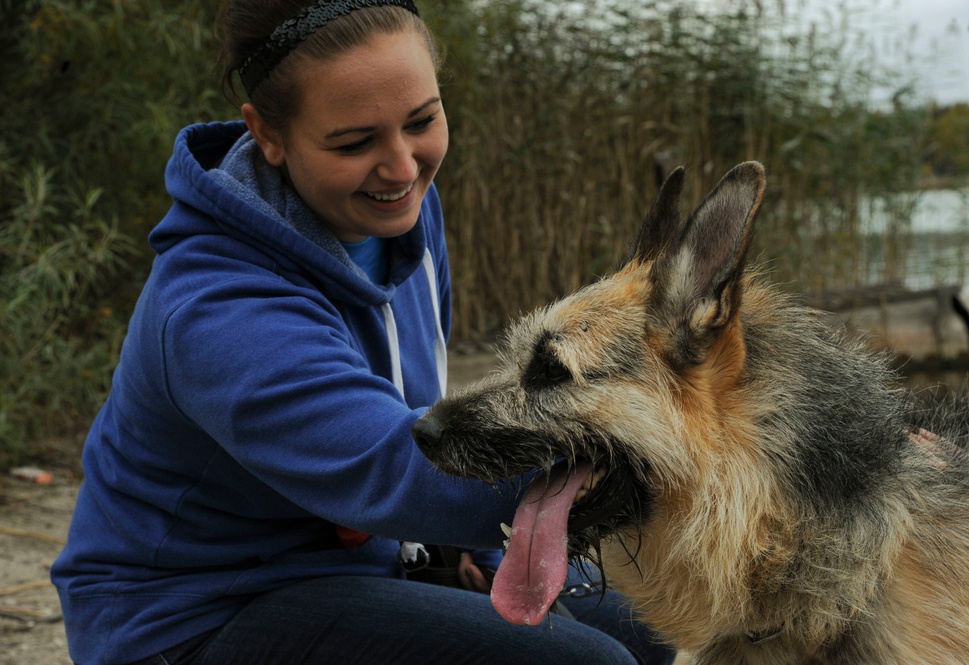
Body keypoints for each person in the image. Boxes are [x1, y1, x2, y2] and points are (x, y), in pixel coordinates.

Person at [50, 2, 676, 664]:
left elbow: (423, 408)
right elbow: (390, 468)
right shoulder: (217, 309)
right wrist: (649, 459)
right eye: (354, 143)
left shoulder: (403, 213)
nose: (402, 168)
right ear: (267, 134)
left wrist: (481, 547)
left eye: (421, 121)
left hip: (364, 562)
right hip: (195, 614)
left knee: (648, 619)